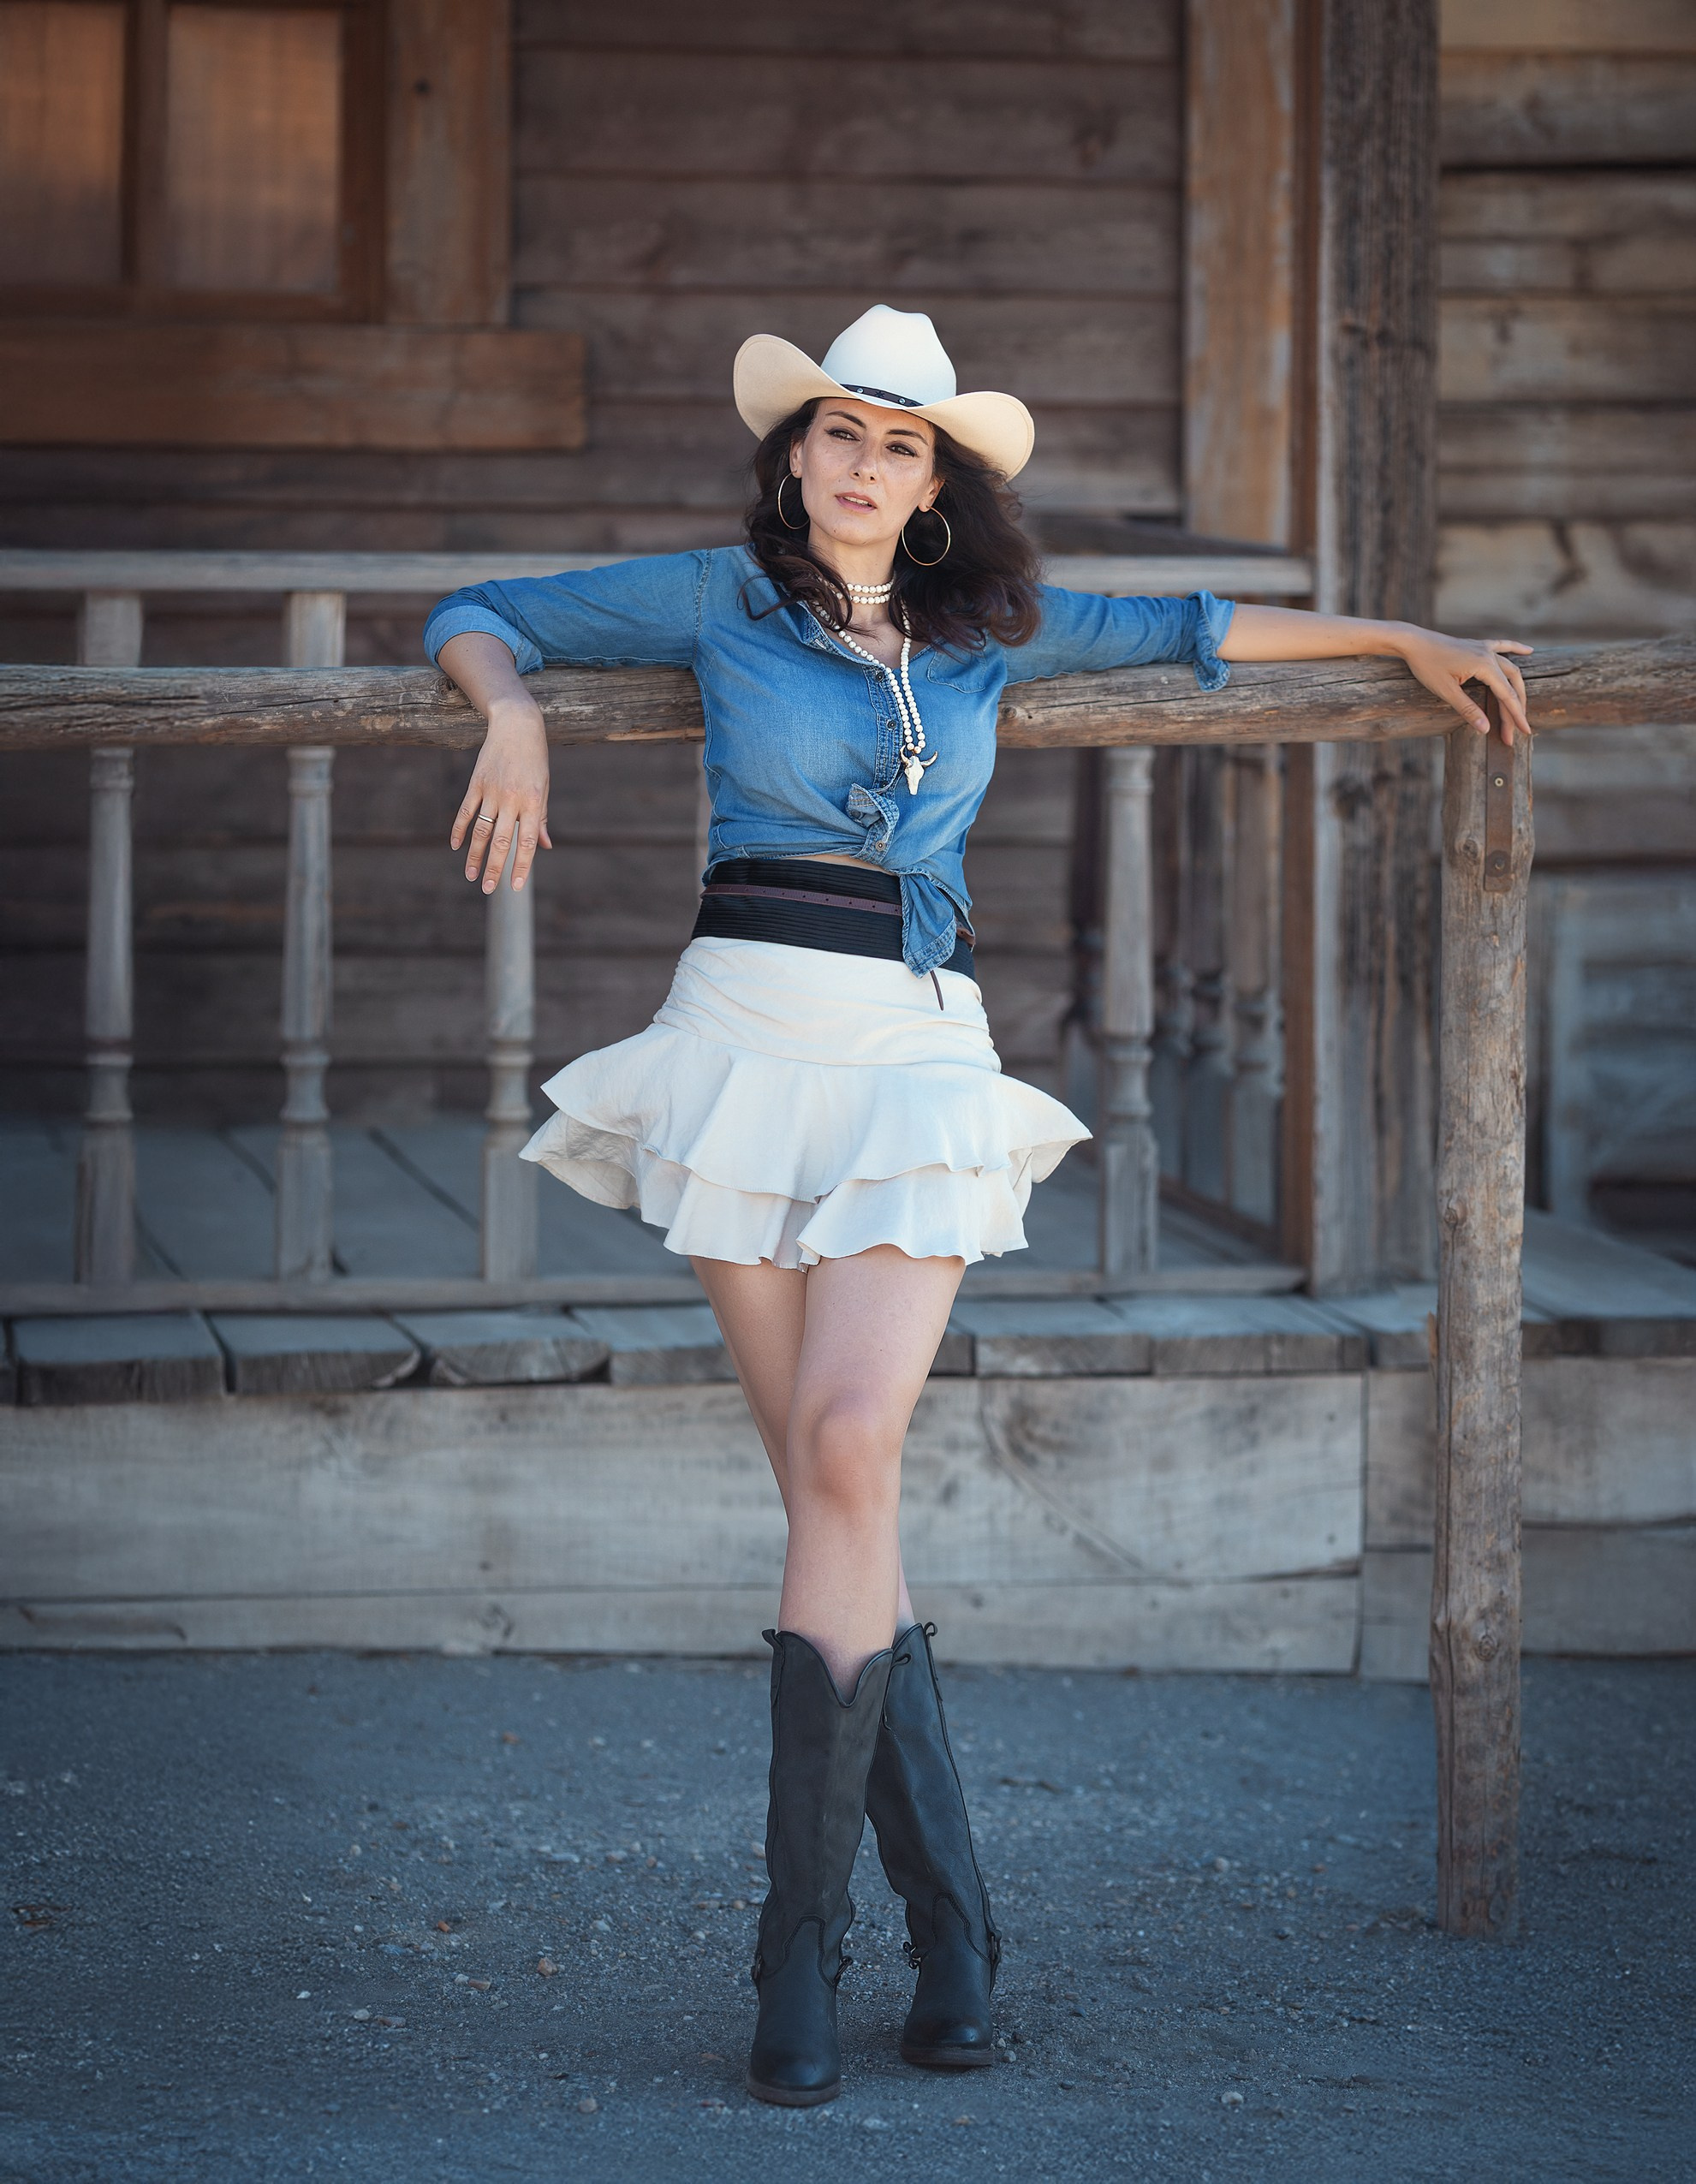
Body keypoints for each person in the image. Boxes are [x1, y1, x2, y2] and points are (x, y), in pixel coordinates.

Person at [424, 305, 1532, 2108]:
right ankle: (942, 1929)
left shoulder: (984, 631)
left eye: (902, 444)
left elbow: (1200, 634)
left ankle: (803, 1948)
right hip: (733, 1042)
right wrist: (516, 725)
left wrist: (1402, 633)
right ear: (794, 454)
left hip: (913, 1052)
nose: (863, 465)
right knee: (825, 1490)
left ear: (938, 484)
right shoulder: (717, 599)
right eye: (840, 434)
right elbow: (478, 616)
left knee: (850, 1446)